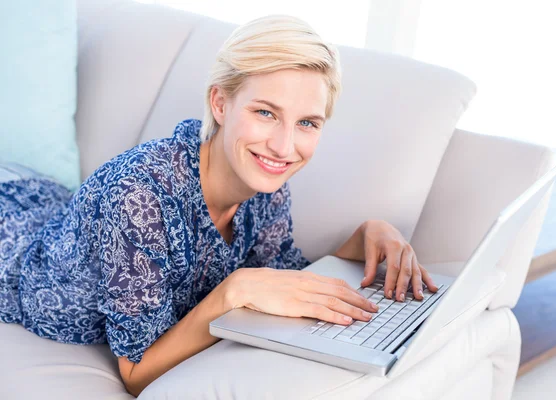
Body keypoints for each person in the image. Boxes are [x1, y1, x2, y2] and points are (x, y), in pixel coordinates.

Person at [0, 14, 438, 396]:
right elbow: (135, 374)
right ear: (221, 102)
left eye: (306, 122)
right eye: (266, 112)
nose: (285, 146)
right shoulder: (140, 195)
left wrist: (365, 237)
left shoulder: (266, 185)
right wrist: (234, 291)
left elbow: (287, 281)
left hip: (48, 206)